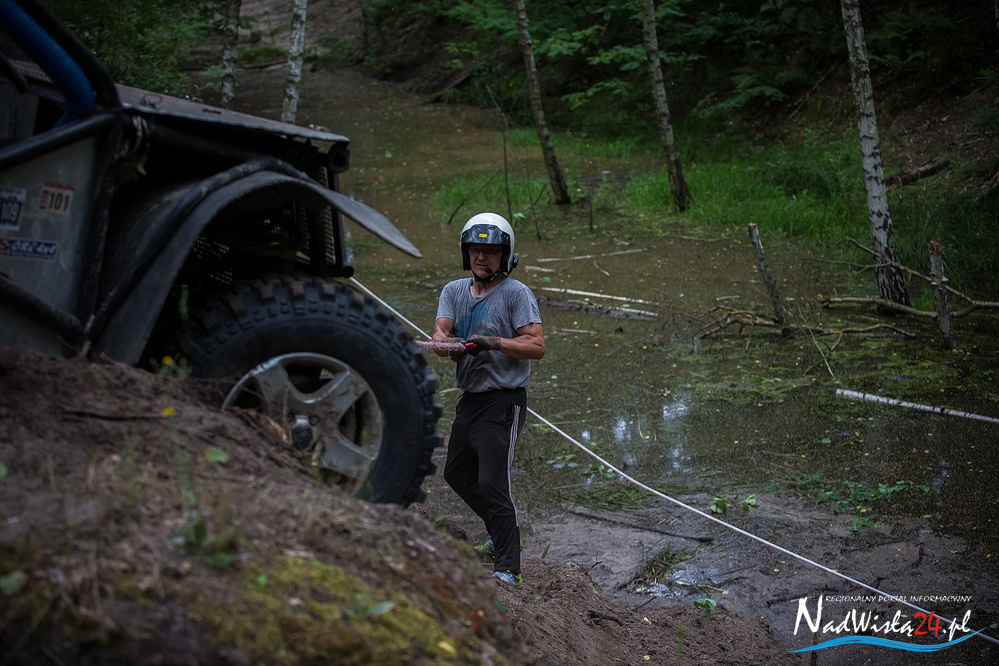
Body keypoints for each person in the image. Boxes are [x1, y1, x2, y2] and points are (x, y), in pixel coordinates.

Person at [432, 212, 545, 589]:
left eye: (491, 251)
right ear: (466, 253)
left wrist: (492, 343)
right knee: (456, 473)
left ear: (505, 255)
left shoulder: (516, 294)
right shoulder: (453, 291)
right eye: (475, 250)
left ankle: (509, 567)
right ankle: (500, 530)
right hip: (471, 398)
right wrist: (444, 343)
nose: (482, 257)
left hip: (504, 401)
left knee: (493, 481)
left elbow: (536, 345)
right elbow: (442, 330)